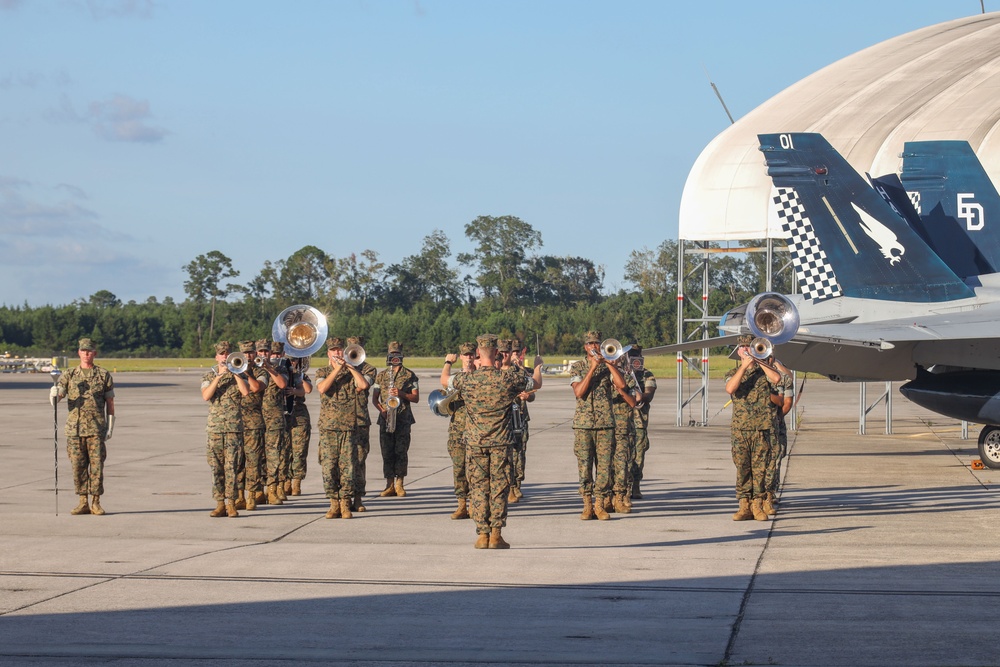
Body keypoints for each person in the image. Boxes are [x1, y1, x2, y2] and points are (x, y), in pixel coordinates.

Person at [444, 333, 537, 549]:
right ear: (496, 353)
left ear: (478, 353)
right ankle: (496, 535)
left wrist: (448, 363)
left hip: (475, 443)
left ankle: (482, 535)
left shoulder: (467, 379)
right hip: (500, 443)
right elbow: (535, 384)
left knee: (478, 488)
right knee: (499, 488)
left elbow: (444, 380)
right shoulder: (507, 379)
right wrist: (539, 366)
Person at [49, 337, 116, 516]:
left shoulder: (103, 375)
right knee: (78, 466)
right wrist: (54, 394)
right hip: (75, 429)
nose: (86, 354)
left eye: (90, 351)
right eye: (83, 351)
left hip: (96, 428)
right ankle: (82, 501)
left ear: (95, 353)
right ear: (78, 352)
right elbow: (59, 396)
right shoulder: (69, 374)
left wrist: (110, 426)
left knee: (97, 467)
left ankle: (96, 502)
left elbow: (110, 402)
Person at [569, 330, 630, 521]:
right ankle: (587, 505)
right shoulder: (578, 367)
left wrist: (610, 365)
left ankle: (600, 504)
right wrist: (592, 368)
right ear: (585, 347)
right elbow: (579, 392)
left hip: (605, 424)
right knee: (585, 466)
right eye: (590, 344)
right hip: (584, 425)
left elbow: (622, 386)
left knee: (604, 468)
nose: (594, 347)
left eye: (597, 343)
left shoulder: (607, 366)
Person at [724, 334, 782, 522]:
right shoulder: (733, 373)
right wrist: (743, 366)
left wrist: (759, 360)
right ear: (739, 351)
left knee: (760, 470)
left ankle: (757, 505)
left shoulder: (764, 372)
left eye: (751, 347)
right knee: (742, 468)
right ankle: (744, 505)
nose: (747, 351)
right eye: (744, 348)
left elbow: (776, 378)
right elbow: (730, 389)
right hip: (741, 430)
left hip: (761, 429)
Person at [315, 336, 369, 519]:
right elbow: (322, 388)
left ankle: (346, 503)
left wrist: (351, 368)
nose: (337, 352)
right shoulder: (322, 371)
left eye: (339, 350)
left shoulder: (351, 372)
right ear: (328, 353)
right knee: (329, 467)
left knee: (349, 468)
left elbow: (363, 385)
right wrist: (337, 369)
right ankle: (334, 503)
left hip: (348, 427)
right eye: (333, 350)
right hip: (328, 427)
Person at [200, 340, 250, 517]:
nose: (224, 356)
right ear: (216, 357)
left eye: (226, 354)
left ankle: (231, 503)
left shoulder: (240, 373)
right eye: (221, 354)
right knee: (216, 467)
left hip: (233, 429)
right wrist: (219, 376)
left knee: (232, 467)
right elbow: (206, 396)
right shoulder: (208, 376)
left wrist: (235, 372)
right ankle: (219, 503)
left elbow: (245, 392)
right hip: (215, 429)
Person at [372, 341, 419, 497]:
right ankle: (389, 484)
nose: (394, 357)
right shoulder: (381, 375)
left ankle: (400, 483)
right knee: (386, 451)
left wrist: (401, 393)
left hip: (403, 418)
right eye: (391, 354)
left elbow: (415, 397)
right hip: (386, 417)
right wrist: (382, 410)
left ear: (401, 355)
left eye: (396, 354)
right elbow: (374, 399)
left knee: (401, 451)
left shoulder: (410, 375)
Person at [439, 341, 476, 519]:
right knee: (459, 468)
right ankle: (462, 504)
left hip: (477, 430)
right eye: (465, 355)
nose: (468, 358)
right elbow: (443, 385)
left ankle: (476, 504)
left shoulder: (480, 377)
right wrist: (448, 363)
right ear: (460, 356)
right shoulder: (455, 378)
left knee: (476, 470)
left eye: (471, 355)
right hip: (457, 430)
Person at [505, 338, 543, 503]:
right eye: (513, 352)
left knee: (520, 453)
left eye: (517, 352)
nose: (515, 355)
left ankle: (517, 485)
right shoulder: (500, 369)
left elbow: (533, 390)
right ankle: (508, 486)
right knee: (506, 454)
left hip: (520, 416)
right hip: (505, 418)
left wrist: (529, 396)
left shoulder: (524, 371)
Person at [346, 336, 377, 511]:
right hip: (342, 421)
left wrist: (351, 368)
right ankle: (344, 497)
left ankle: (358, 497)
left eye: (357, 348)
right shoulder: (339, 369)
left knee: (359, 459)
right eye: (351, 348)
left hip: (360, 420)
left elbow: (362, 386)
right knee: (344, 461)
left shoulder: (370, 369)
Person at [236, 340, 266, 511]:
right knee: (238, 462)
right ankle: (239, 495)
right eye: (245, 353)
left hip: (254, 423)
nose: (248, 356)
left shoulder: (261, 371)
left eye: (250, 353)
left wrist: (246, 374)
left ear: (255, 354)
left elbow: (255, 388)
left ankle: (252, 496)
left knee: (254, 462)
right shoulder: (234, 369)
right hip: (237, 423)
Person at [609, 350, 639, 514]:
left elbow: (633, 402)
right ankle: (606, 499)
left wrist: (621, 391)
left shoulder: (627, 379)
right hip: (605, 429)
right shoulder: (602, 379)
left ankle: (621, 498)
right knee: (605, 467)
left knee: (622, 466)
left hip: (623, 429)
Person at [763, 357, 794, 516]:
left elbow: (787, 403)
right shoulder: (754, 376)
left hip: (776, 424)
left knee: (775, 459)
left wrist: (775, 419)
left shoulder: (783, 378)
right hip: (757, 426)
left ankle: (769, 494)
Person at [262, 341, 290, 505]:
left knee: (274, 456)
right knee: (256, 458)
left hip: (274, 419)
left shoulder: (281, 369)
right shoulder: (249, 368)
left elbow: (282, 384)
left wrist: (268, 368)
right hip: (256, 419)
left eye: (271, 353)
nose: (269, 356)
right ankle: (256, 491)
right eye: (265, 353)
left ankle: (272, 490)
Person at [629, 345, 657, 500]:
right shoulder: (622, 373)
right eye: (631, 354)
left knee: (638, 457)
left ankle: (636, 486)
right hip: (622, 423)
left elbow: (649, 395)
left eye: (636, 354)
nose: (634, 357)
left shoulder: (647, 374)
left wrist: (639, 395)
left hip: (639, 423)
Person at [285, 354, 313, 497]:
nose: (292, 362)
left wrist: (298, 374)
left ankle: (296, 482)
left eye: (295, 359)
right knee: (285, 450)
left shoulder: (300, 374)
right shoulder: (281, 373)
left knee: (299, 451)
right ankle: (286, 482)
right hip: (283, 415)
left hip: (299, 414)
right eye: (290, 360)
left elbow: (307, 389)